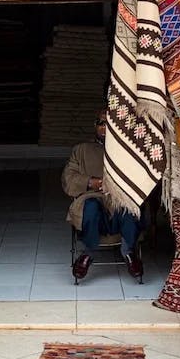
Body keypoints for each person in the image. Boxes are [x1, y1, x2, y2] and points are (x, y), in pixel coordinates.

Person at [61, 111, 142, 280]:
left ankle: (128, 252)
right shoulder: (82, 150)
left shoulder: (127, 150)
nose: (105, 128)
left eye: (109, 124)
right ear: (95, 126)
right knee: (91, 207)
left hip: (118, 199)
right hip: (92, 198)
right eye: (101, 124)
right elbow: (68, 178)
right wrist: (92, 182)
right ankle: (88, 254)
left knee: (129, 208)